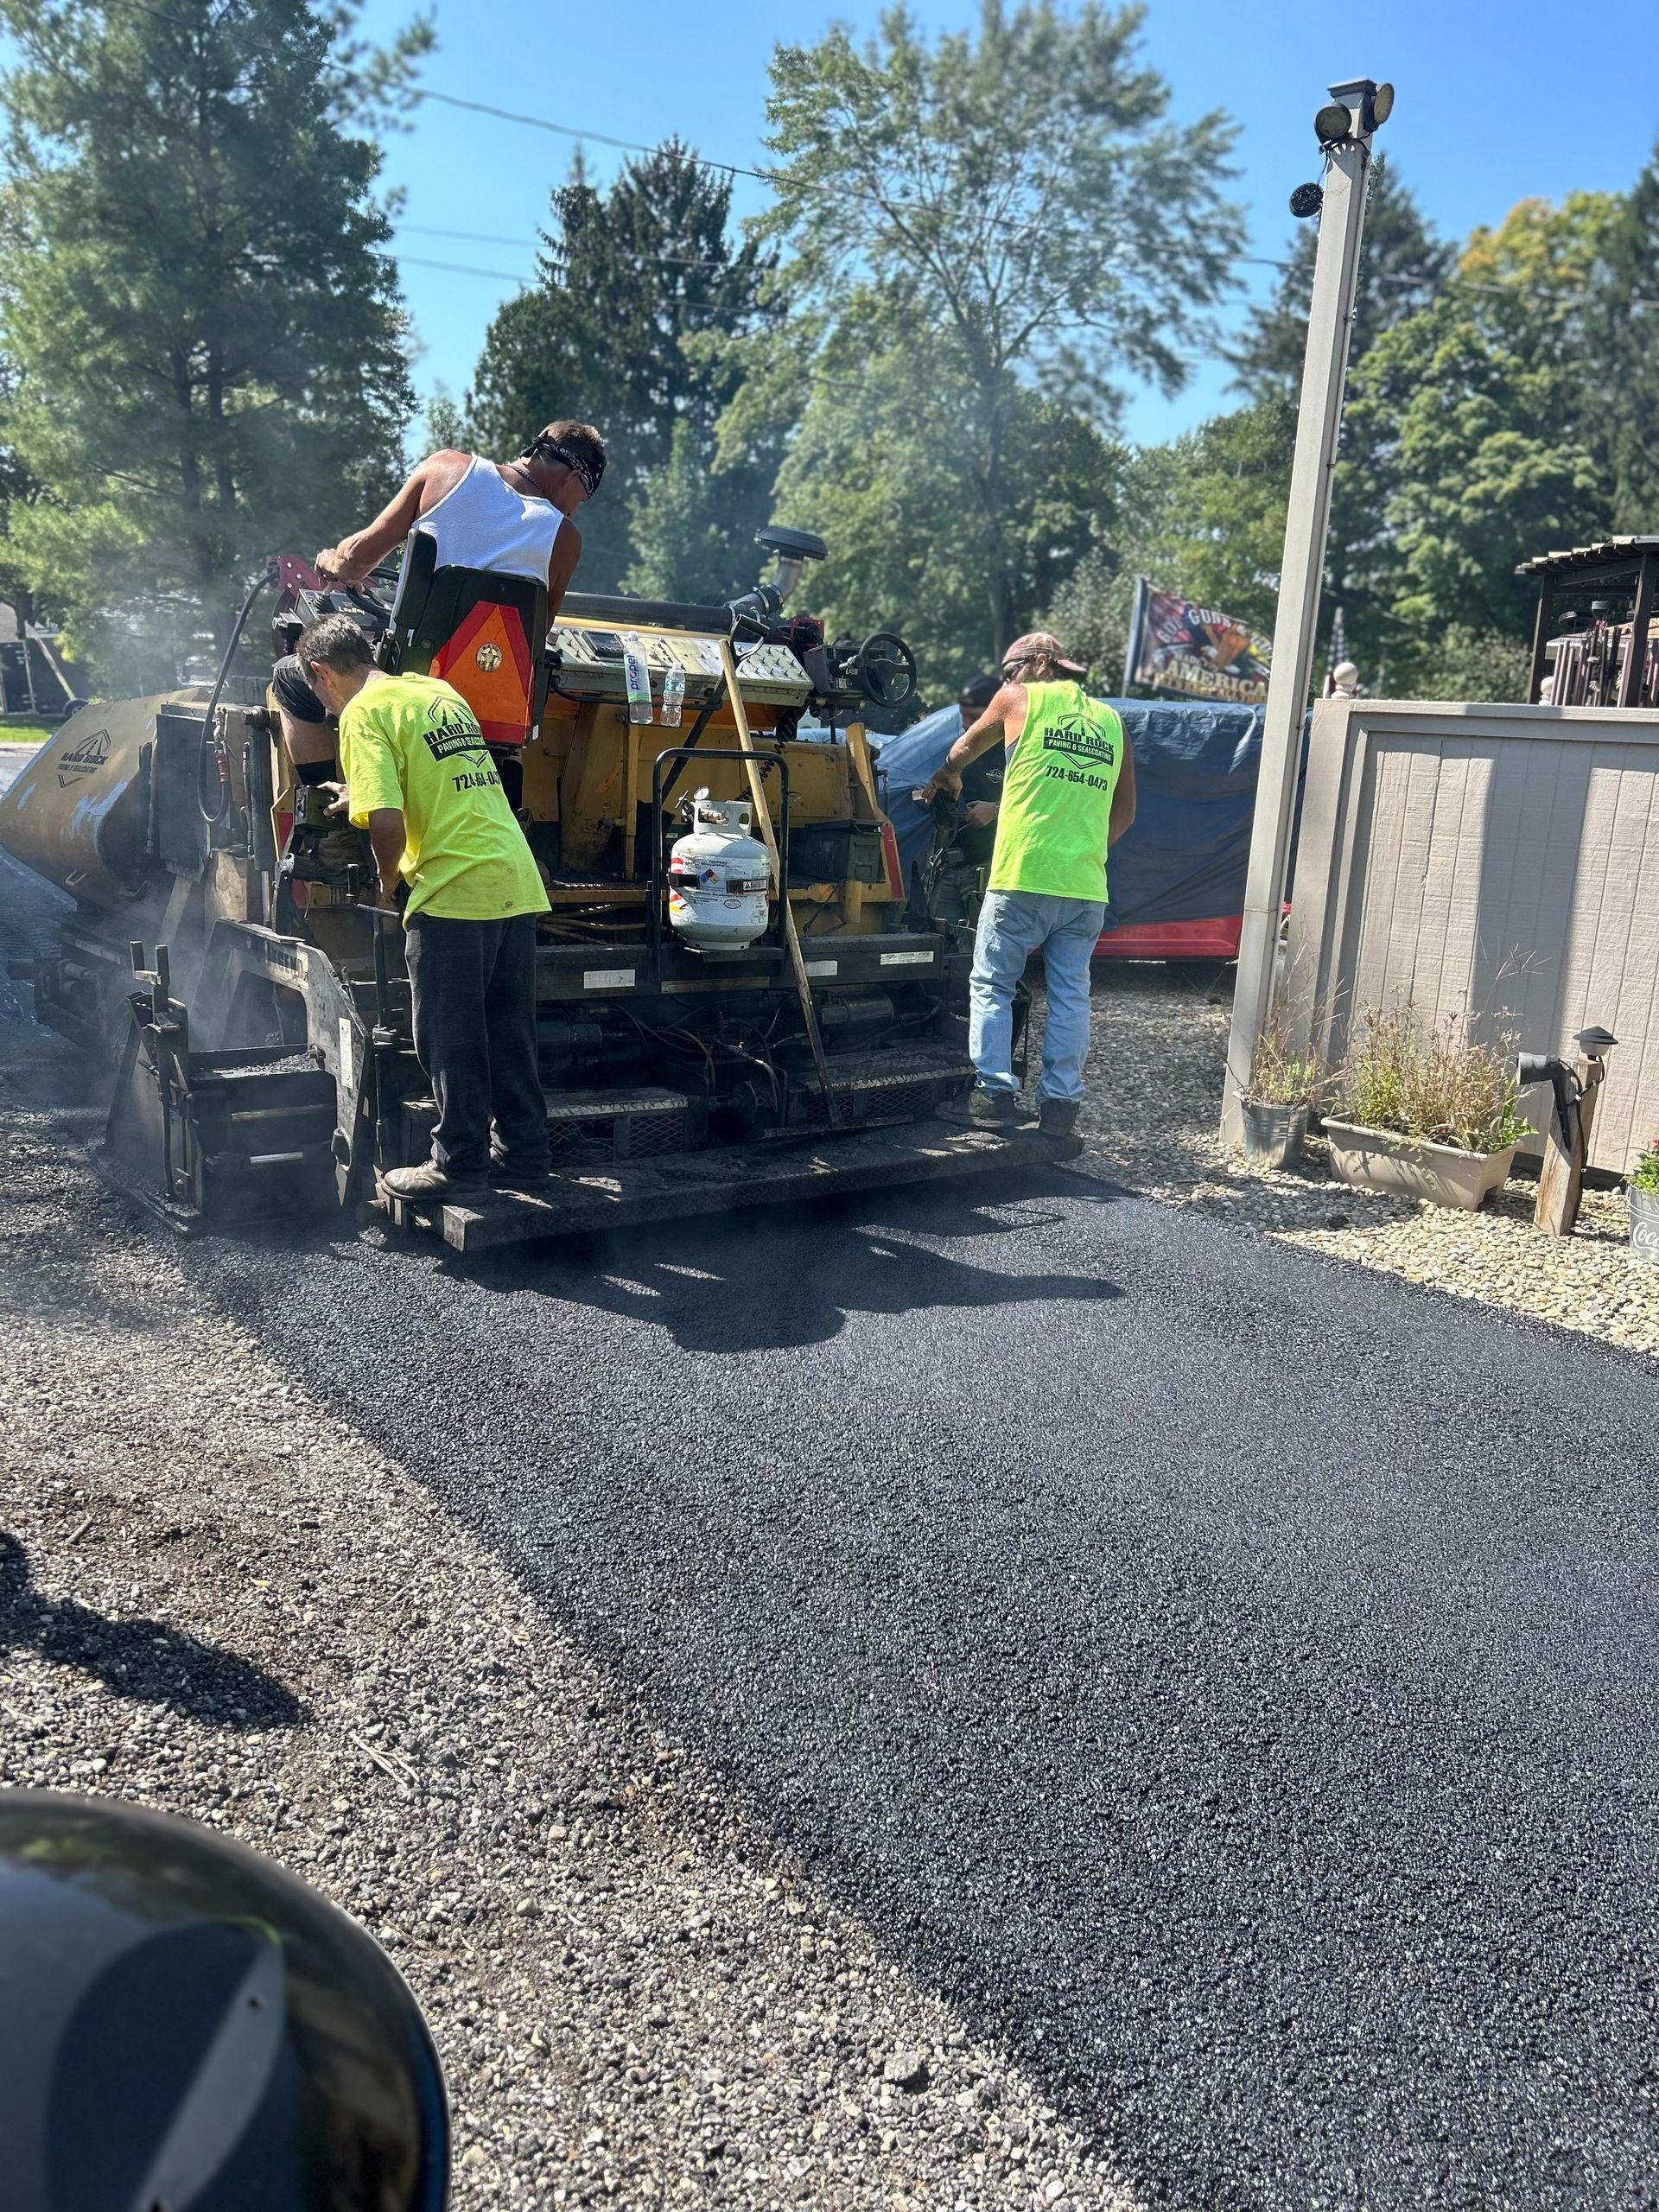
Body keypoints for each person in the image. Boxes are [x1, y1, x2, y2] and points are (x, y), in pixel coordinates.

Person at [295, 613, 551, 1200]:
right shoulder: (434, 691)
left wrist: (386, 881)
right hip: (511, 876)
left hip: (453, 889)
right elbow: (432, 779)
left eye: (318, 694)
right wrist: (361, 793)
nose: (327, 710)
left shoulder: (361, 714)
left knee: (448, 1033)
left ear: (319, 674)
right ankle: (525, 1153)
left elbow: (387, 820)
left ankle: (458, 1164)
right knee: (510, 1029)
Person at [273, 421, 605, 787]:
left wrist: (331, 562)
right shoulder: (565, 538)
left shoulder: (446, 468)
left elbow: (355, 560)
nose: (573, 512)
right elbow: (533, 636)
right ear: (573, 476)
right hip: (486, 705)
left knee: (290, 675)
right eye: (581, 499)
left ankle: (328, 822)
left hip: (408, 680)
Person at [919, 631, 1135, 1139]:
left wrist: (948, 775)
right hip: (1085, 885)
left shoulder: (1020, 698)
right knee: (1070, 995)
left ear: (1040, 663)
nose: (1005, 680)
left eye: (1009, 669)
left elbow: (963, 749)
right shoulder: (1112, 721)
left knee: (992, 982)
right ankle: (1060, 1110)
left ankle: (992, 1094)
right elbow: (1125, 812)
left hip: (1024, 875)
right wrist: (1083, 849)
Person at [928, 670, 1005, 926]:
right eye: (962, 716)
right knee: (940, 941)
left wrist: (995, 810)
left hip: (991, 870)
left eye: (973, 717)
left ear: (995, 714)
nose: (965, 725)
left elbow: (1041, 803)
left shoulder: (1017, 753)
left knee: (979, 944)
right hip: (951, 865)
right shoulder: (962, 752)